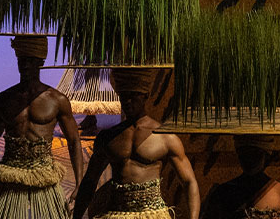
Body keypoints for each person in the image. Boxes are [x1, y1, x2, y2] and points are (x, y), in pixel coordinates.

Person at [0, 35, 83, 219]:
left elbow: (74, 141)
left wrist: (80, 182)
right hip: (10, 175)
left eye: (31, 61)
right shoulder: (3, 100)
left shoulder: (57, 100)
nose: (25, 66)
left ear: (40, 62)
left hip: (44, 174)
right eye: (22, 60)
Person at [73, 68, 200, 219]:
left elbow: (189, 181)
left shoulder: (165, 138)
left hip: (152, 214)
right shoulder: (108, 137)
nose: (127, 101)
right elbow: (90, 181)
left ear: (145, 96)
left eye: (133, 96)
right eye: (124, 96)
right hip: (117, 212)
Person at [61, 0, 124, 136]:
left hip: (116, 20)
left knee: (120, 65)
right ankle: (90, 115)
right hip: (94, 22)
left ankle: (125, 111)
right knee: (92, 67)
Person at [200, 136, 280, 219]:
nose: (249, 161)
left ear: (266, 156)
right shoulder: (222, 193)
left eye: (255, 155)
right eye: (245, 155)